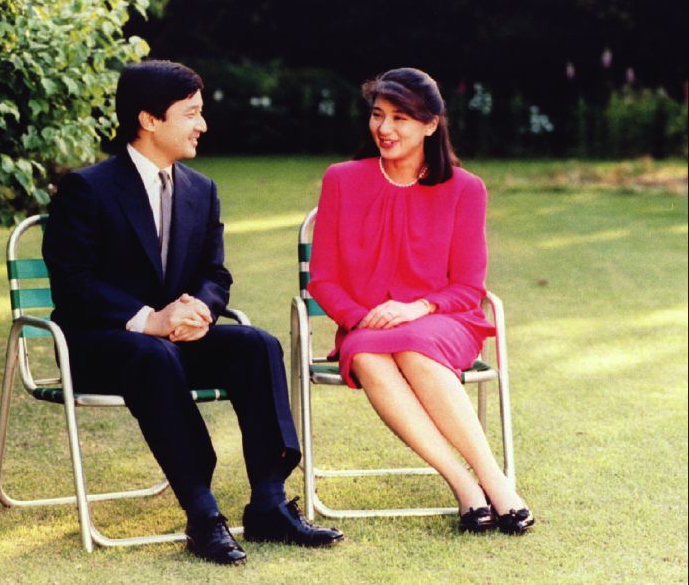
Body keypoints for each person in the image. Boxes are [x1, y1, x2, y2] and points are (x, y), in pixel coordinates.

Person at [42, 59, 343, 565]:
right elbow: (73, 283)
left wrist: (201, 307)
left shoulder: (201, 190)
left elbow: (215, 274)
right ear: (149, 120)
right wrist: (147, 319)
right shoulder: (87, 189)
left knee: (257, 345)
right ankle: (203, 515)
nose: (202, 124)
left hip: (175, 343)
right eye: (191, 113)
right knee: (151, 355)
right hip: (103, 345)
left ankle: (269, 503)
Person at [308, 67, 534, 535]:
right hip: (366, 326)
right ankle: (465, 487)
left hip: (445, 322)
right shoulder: (342, 180)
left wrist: (417, 308)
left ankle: (495, 482)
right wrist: (360, 318)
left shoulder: (466, 189)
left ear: (431, 124)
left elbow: (469, 287)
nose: (384, 129)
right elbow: (323, 280)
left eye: (400, 118)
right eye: (377, 116)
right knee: (368, 353)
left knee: (413, 347)